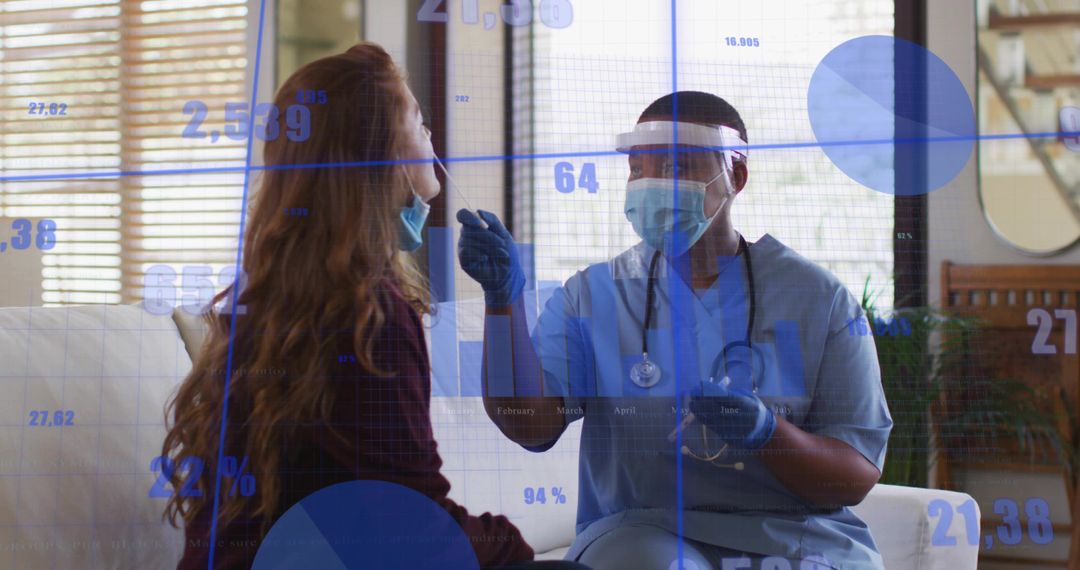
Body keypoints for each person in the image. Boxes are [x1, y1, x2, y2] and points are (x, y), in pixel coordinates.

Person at [456, 91, 893, 569]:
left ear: (736, 176)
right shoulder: (593, 296)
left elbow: (854, 474)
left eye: (674, 166)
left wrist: (769, 434)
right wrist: (504, 304)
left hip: (794, 539)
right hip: (647, 533)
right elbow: (528, 425)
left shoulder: (819, 299)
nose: (650, 185)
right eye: (638, 170)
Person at [161, 43, 541, 569]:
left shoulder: (267, 305)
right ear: (378, 152)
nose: (431, 136)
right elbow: (416, 525)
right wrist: (513, 548)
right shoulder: (369, 317)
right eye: (418, 120)